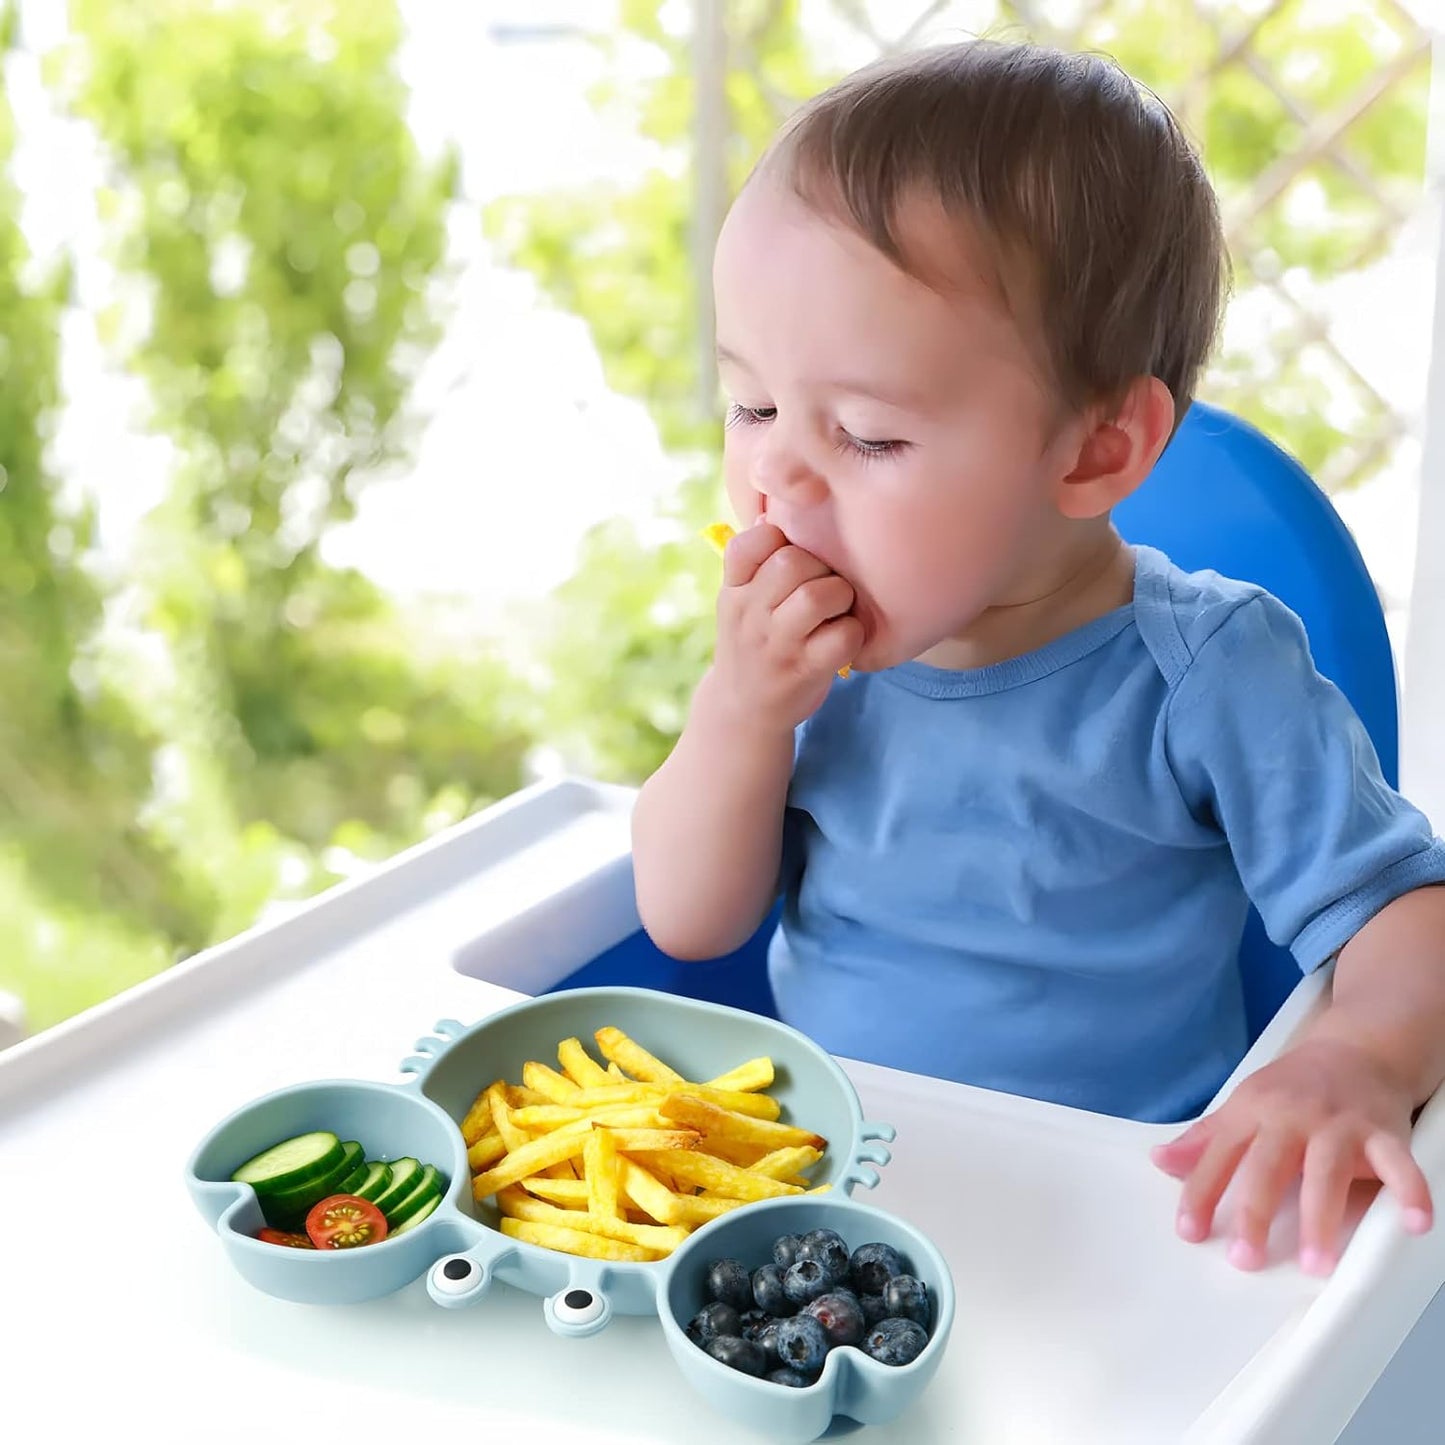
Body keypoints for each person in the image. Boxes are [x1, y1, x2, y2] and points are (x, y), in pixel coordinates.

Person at [629, 39, 1445, 1276]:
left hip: (1115, 1222)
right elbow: (687, 923)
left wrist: (1357, 1056)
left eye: (863, 433)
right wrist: (738, 714)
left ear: (1092, 453)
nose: (777, 477)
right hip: (820, 1197)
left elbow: (1404, 911)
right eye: (749, 407)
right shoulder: (796, 660)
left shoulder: (1207, 671)